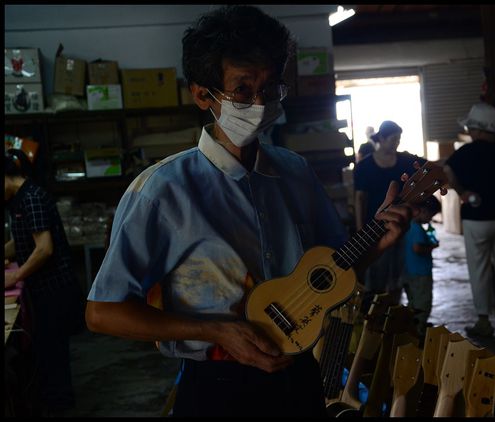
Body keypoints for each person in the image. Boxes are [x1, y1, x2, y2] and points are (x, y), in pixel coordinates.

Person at [84, 5, 413, 418]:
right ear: (202, 94)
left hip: (299, 378)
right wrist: (214, 330)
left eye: (270, 88)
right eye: (242, 89)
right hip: (217, 389)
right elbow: (102, 312)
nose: (259, 103)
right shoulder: (161, 191)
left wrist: (376, 243)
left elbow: (329, 275)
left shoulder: (295, 172)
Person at [4, 148, 84, 414]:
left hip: (54, 291)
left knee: (53, 357)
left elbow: (44, 248)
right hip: (42, 291)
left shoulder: (32, 198)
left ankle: (62, 408)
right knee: (44, 356)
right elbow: (23, 240)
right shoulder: (20, 199)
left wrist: (15, 276)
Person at [443, 102, 495, 338]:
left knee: (479, 269)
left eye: (472, 128)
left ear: (480, 130)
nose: (470, 132)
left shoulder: (465, 152)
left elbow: (447, 172)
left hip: (476, 219)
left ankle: (484, 320)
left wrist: (462, 192)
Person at [353, 120, 427, 312]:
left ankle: (394, 309)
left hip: (402, 225)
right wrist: (361, 229)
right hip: (375, 226)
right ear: (382, 139)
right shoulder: (364, 166)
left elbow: (423, 176)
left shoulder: (404, 161)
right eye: (393, 139)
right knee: (376, 270)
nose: (397, 143)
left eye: (399, 139)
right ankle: (373, 313)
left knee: (399, 271)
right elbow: (360, 198)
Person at [400, 196, 441, 339]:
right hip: (420, 273)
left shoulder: (408, 225)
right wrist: (432, 246)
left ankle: (412, 328)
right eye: (430, 215)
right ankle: (419, 331)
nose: (430, 219)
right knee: (423, 303)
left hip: (408, 272)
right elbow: (417, 248)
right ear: (421, 211)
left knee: (413, 302)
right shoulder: (417, 229)